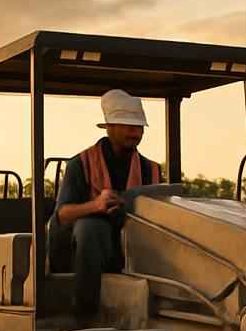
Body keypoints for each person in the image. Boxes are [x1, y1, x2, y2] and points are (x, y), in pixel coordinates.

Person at [52, 89, 163, 318]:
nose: (135, 132)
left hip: (134, 246)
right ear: (109, 126)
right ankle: (85, 317)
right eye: (128, 125)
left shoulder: (151, 170)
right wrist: (95, 206)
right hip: (83, 251)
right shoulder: (80, 164)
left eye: (139, 127)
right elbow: (62, 215)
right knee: (90, 228)